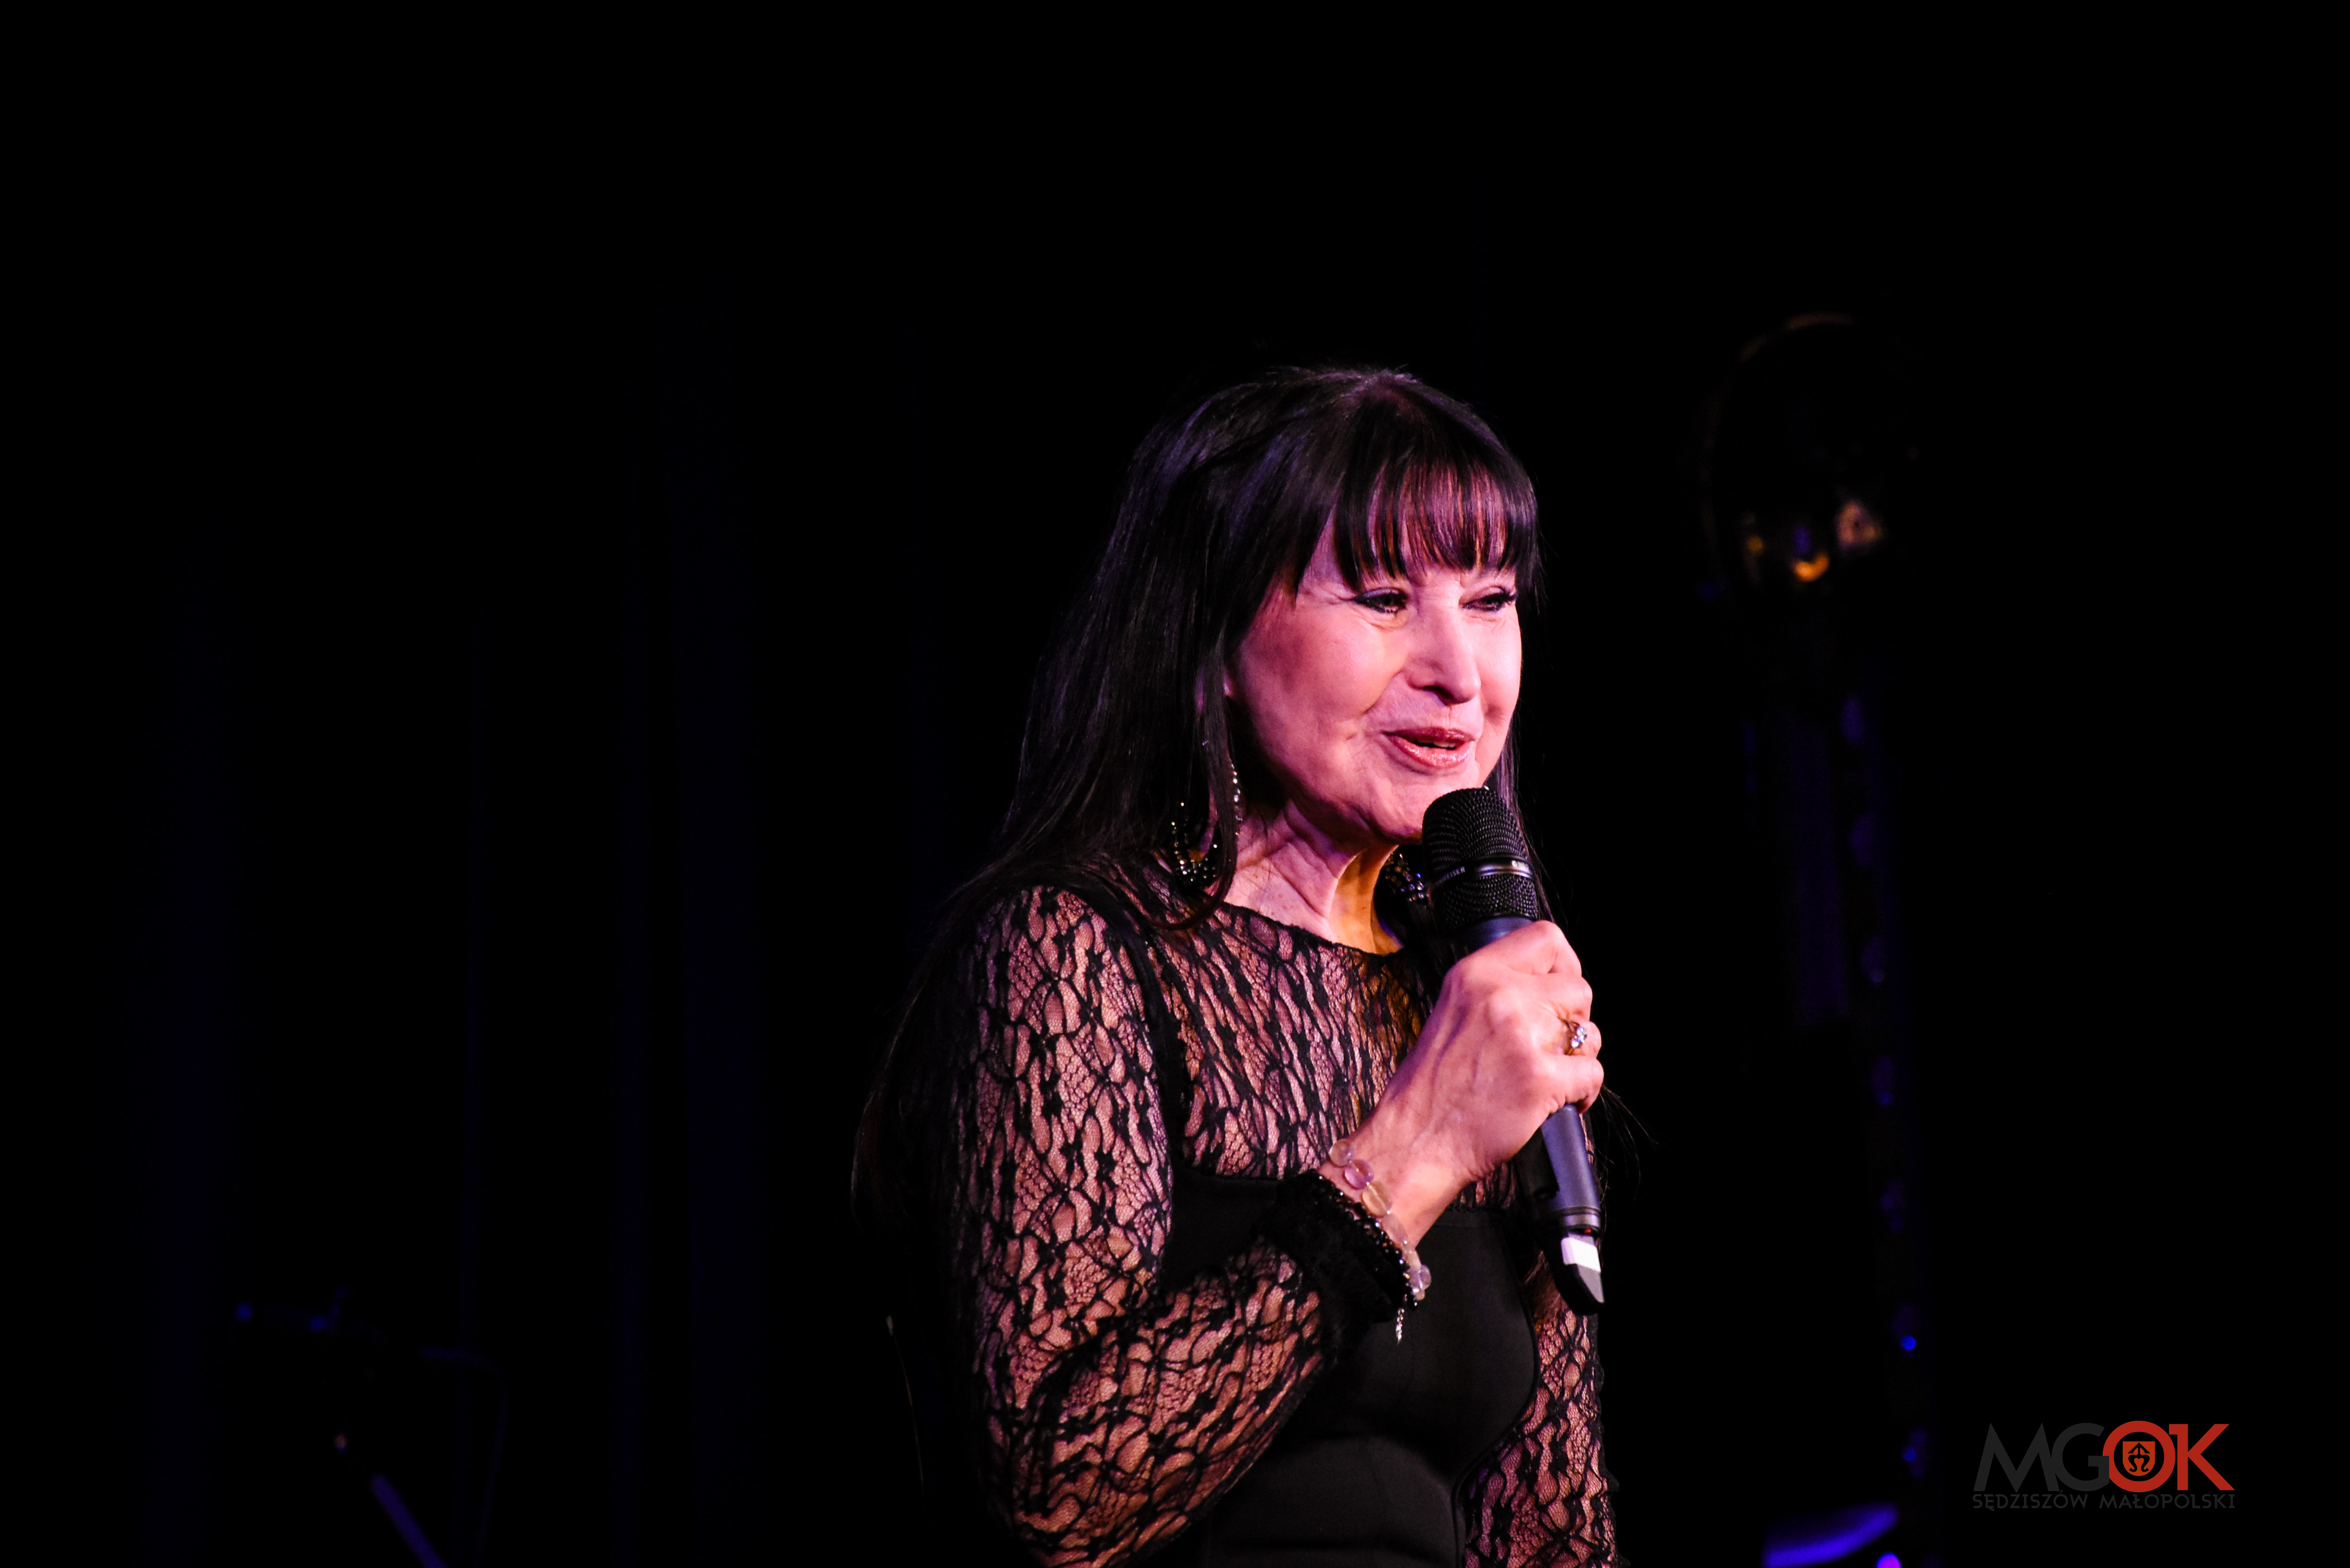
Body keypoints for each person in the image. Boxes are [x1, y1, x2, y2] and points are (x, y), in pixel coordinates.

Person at [858, 367, 1619, 1566]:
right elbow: (1061, 1499)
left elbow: (1547, 1525)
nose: (1459, 674)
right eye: (1382, 597)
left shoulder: (1469, 999)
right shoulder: (1071, 953)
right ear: (1213, 638)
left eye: (1489, 600)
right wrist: (1409, 1157)